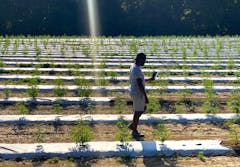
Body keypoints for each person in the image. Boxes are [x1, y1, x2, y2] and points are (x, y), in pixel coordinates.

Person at [128, 53, 155, 137]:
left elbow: (140, 80)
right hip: (138, 92)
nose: (145, 62)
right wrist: (145, 96)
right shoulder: (136, 69)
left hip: (135, 91)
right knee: (138, 111)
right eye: (144, 60)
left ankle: (133, 125)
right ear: (140, 59)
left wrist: (150, 79)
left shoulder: (134, 66)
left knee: (142, 108)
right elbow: (139, 84)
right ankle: (134, 130)